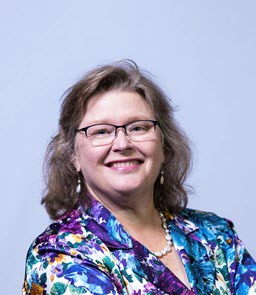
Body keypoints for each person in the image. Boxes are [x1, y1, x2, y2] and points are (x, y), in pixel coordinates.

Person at [22, 60, 256, 295]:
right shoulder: (58, 255)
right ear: (73, 155)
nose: (122, 144)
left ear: (164, 144)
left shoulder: (215, 234)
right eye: (101, 131)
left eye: (138, 128)